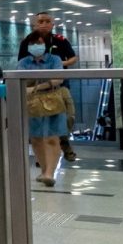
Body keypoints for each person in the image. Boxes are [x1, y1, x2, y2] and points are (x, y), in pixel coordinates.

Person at [17, 12, 79, 161]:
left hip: (59, 85)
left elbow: (73, 58)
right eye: (40, 21)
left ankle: (64, 141)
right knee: (41, 121)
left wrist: (57, 65)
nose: (43, 24)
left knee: (68, 117)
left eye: (47, 21)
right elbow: (21, 64)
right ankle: (45, 157)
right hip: (36, 88)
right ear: (34, 24)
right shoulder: (28, 42)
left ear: (53, 24)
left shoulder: (60, 40)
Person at [18, 33, 67, 187]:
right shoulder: (24, 62)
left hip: (53, 100)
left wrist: (37, 87)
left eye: (38, 43)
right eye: (32, 43)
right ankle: (44, 170)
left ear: (45, 44)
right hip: (32, 103)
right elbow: (20, 81)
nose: (35, 46)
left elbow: (58, 79)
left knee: (53, 137)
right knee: (36, 138)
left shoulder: (55, 60)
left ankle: (50, 173)